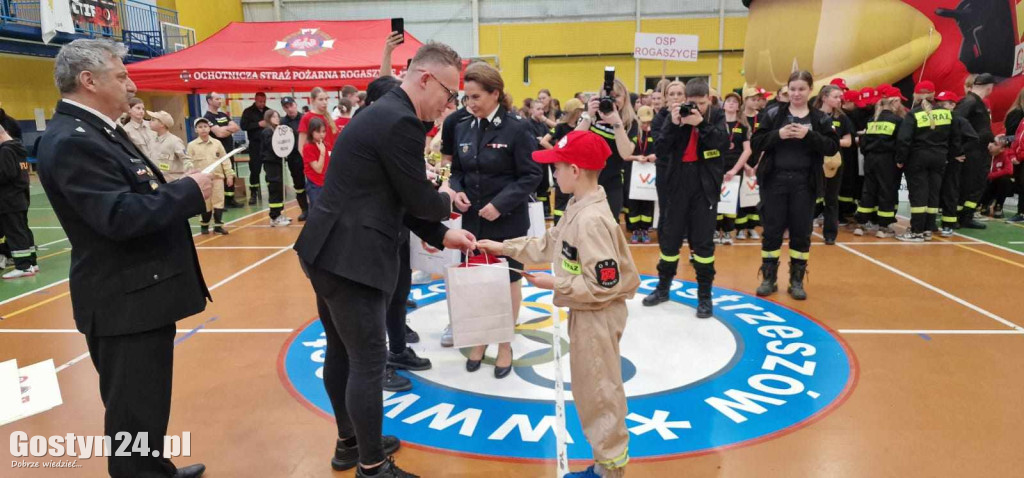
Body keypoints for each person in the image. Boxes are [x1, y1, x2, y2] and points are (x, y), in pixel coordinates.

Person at [293, 41, 476, 478]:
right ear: (425, 78)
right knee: (368, 360)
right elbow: (417, 198)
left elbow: (395, 199)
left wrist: (443, 235)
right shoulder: (401, 122)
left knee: (342, 352)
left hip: (326, 249)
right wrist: (446, 203)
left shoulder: (385, 113)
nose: (449, 105)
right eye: (449, 94)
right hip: (351, 257)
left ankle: (351, 442)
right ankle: (372, 467)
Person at [36, 39, 211, 478]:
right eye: (121, 76)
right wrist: (188, 193)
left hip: (137, 295)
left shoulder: (98, 131)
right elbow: (116, 215)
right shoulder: (73, 141)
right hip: (123, 301)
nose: (131, 85)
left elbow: (136, 195)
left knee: (147, 407)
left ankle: (157, 471)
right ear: (88, 81)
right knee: (134, 413)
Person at [477, 130, 640, 478]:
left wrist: (556, 283)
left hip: (597, 313)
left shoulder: (592, 220)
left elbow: (604, 284)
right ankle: (604, 463)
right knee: (591, 388)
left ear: (576, 171)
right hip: (586, 311)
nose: (554, 173)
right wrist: (504, 247)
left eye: (558, 166)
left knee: (599, 391)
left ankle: (610, 469)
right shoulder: (578, 206)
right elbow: (550, 243)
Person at [450, 61, 542, 379]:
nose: (470, 103)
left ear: (495, 94)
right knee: (478, 282)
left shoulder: (517, 128)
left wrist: (500, 204)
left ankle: (504, 343)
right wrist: (456, 190)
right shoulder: (463, 126)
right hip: (473, 222)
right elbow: (458, 170)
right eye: (467, 97)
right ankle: (480, 339)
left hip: (507, 222)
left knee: (507, 283)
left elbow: (532, 174)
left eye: (476, 97)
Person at [643, 78, 728, 317]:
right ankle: (662, 288)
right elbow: (659, 149)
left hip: (704, 186)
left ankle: (704, 296)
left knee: (703, 244)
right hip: (676, 184)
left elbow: (721, 144)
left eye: (701, 103)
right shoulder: (666, 116)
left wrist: (701, 124)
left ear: (708, 100)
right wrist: (674, 123)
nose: (696, 107)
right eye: (692, 103)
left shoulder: (716, 116)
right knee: (669, 240)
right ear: (683, 99)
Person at [751, 71, 840, 300]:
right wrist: (778, 134)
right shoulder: (772, 115)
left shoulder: (820, 118)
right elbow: (756, 143)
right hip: (774, 181)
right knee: (771, 231)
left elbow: (832, 147)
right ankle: (769, 278)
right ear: (786, 90)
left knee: (801, 232)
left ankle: (796, 280)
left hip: (804, 183)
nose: (796, 93)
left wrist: (808, 136)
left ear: (810, 90)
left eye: (801, 89)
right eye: (792, 89)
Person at [895, 82, 961, 243]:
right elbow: (956, 138)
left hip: (918, 158)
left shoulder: (913, 114)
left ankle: (916, 231)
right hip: (939, 158)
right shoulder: (947, 114)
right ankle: (928, 229)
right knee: (933, 193)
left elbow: (904, 140)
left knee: (918, 194)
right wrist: (952, 155)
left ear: (915, 95)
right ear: (933, 95)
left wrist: (900, 160)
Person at [577, 78, 637, 221]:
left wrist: (617, 123)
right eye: (608, 97)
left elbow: (626, 153)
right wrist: (588, 116)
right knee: (583, 225)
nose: (612, 101)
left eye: (616, 97)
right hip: (585, 181)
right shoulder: (591, 116)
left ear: (625, 98)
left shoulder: (630, 122)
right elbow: (573, 143)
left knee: (609, 226)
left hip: (612, 182)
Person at [854, 86, 905, 238]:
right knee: (886, 191)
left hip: (870, 159)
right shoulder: (897, 120)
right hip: (887, 160)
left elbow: (863, 142)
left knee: (868, 190)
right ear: (894, 102)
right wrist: (900, 159)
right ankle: (883, 227)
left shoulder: (872, 120)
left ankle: (861, 224)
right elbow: (901, 142)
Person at [955, 73, 999, 229]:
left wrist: (992, 140)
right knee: (967, 185)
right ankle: (957, 216)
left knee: (976, 185)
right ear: (989, 87)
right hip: (971, 151)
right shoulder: (970, 102)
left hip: (980, 151)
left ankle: (966, 215)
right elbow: (957, 124)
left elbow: (982, 128)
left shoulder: (978, 103)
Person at [813, 84, 855, 244]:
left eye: (840, 97)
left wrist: (830, 142)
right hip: (816, 161)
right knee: (810, 196)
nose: (839, 100)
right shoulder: (813, 116)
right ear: (824, 97)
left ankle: (830, 234)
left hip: (834, 163)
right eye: (836, 96)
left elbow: (848, 141)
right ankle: (801, 229)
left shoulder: (842, 118)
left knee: (831, 199)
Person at [934, 90, 974, 236]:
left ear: (952, 105)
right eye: (937, 103)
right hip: (936, 160)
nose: (938, 106)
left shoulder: (959, 120)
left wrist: (960, 153)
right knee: (932, 192)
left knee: (949, 192)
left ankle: (948, 224)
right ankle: (929, 224)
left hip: (951, 163)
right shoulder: (933, 119)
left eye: (942, 104)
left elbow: (973, 138)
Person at [0, 124, 37, 279]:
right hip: (20, 197)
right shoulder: (18, 148)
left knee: (15, 232)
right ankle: (32, 262)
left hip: (9, 200)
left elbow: (5, 174)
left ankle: (23, 266)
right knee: (22, 230)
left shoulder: (6, 151)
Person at [540, 98, 585, 223]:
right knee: (561, 197)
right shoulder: (560, 127)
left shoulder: (582, 127)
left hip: (577, 167)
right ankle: (559, 224)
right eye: (580, 110)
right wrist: (558, 152)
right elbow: (544, 141)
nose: (582, 113)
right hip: (564, 166)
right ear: (575, 112)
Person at [188, 117, 234, 235]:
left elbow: (225, 159)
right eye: (200, 127)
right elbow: (188, 163)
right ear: (196, 130)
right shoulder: (192, 146)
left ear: (209, 128)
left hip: (217, 177)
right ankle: (204, 225)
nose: (203, 129)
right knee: (205, 203)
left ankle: (218, 226)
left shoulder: (217, 143)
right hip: (201, 181)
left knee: (218, 201)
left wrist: (229, 174)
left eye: (205, 126)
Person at [721, 92, 754, 245]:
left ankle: (728, 231)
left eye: (735, 101)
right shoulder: (717, 123)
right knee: (716, 198)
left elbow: (747, 150)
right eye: (728, 101)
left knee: (731, 199)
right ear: (723, 104)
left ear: (738, 106)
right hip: (717, 166)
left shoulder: (742, 125)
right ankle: (715, 229)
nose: (731, 103)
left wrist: (735, 170)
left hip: (735, 167)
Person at [736, 86, 767, 240]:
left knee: (755, 195)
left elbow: (765, 142)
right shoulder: (738, 117)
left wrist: (758, 164)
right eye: (752, 99)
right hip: (742, 161)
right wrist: (745, 165)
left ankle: (752, 226)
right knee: (742, 195)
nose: (756, 102)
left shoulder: (762, 117)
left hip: (757, 161)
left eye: (757, 99)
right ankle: (741, 227)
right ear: (745, 100)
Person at [653, 81, 685, 231]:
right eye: (671, 94)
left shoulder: (692, 116)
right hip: (665, 169)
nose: (675, 97)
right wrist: (672, 122)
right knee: (666, 207)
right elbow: (660, 147)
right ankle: (665, 239)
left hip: (686, 169)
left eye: (679, 94)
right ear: (666, 97)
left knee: (684, 207)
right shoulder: (659, 118)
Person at [623, 105, 657, 243]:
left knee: (647, 201)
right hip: (633, 173)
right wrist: (636, 158)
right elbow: (625, 154)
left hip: (649, 174)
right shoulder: (633, 133)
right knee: (633, 202)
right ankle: (635, 229)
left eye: (649, 122)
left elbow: (662, 151)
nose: (646, 125)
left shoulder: (655, 133)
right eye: (643, 122)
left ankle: (645, 228)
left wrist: (655, 155)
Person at [203, 92, 243, 208]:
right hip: (217, 153)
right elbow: (219, 133)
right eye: (217, 99)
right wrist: (228, 129)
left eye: (220, 99)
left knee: (230, 173)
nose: (220, 101)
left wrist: (225, 129)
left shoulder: (223, 115)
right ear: (210, 101)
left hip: (229, 150)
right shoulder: (207, 117)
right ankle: (222, 202)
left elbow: (236, 127)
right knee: (220, 176)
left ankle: (231, 199)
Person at [280, 96, 310, 220]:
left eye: (291, 105)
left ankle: (317, 208)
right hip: (293, 157)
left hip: (308, 155)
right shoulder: (282, 122)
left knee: (314, 182)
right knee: (298, 184)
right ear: (283, 108)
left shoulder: (305, 118)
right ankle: (304, 209)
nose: (290, 109)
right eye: (286, 107)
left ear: (296, 105)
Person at [260, 109, 291, 227]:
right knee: (274, 188)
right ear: (268, 118)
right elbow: (273, 147)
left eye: (277, 116)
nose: (277, 118)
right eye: (273, 117)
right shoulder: (268, 132)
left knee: (279, 188)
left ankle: (279, 214)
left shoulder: (277, 131)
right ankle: (274, 217)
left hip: (277, 163)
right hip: (271, 163)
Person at [241, 92, 271, 204]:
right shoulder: (248, 112)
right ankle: (253, 193)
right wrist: (258, 124)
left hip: (268, 145)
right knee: (255, 170)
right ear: (255, 100)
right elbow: (244, 126)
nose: (262, 104)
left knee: (269, 169)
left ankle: (271, 192)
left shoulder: (269, 111)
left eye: (264, 101)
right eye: (260, 101)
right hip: (255, 145)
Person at [299, 87, 341, 160]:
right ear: (312, 100)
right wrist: (311, 163)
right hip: (317, 161)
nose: (324, 102)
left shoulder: (328, 117)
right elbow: (301, 146)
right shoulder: (307, 118)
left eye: (326, 99)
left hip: (331, 159)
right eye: (321, 99)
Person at [147, 110, 191, 182]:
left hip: (173, 181)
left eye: (153, 120)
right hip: (157, 180)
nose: (149, 122)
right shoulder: (152, 140)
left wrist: (187, 178)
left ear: (162, 124)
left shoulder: (174, 141)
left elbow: (186, 160)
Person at [528, 99, 552, 210]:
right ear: (531, 110)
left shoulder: (543, 125)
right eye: (538, 109)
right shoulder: (527, 124)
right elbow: (530, 141)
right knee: (534, 185)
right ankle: (533, 209)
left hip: (544, 160)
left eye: (542, 109)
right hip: (533, 160)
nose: (541, 111)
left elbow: (549, 139)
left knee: (545, 185)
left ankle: (545, 209)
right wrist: (540, 140)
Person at [302, 117, 330, 208]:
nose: (322, 134)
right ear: (311, 132)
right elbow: (318, 169)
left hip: (325, 182)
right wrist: (322, 152)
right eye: (318, 132)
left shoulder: (324, 144)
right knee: (316, 211)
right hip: (314, 184)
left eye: (324, 131)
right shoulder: (308, 147)